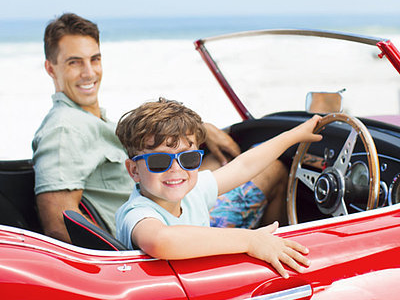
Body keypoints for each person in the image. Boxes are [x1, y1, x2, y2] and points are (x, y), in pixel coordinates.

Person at [32, 13, 288, 243]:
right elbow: (59, 227)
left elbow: (147, 145)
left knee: (241, 155)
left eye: (95, 59)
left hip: (164, 205)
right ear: (50, 68)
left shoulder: (89, 119)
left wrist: (203, 128)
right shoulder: (65, 129)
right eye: (74, 63)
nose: (89, 72)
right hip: (149, 237)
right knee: (273, 169)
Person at [116, 98, 322, 278]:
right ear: (133, 170)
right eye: (159, 161)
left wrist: (294, 136)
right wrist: (250, 241)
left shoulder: (191, 191)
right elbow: (161, 241)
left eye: (188, 158)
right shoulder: (138, 213)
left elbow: (244, 166)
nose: (176, 169)